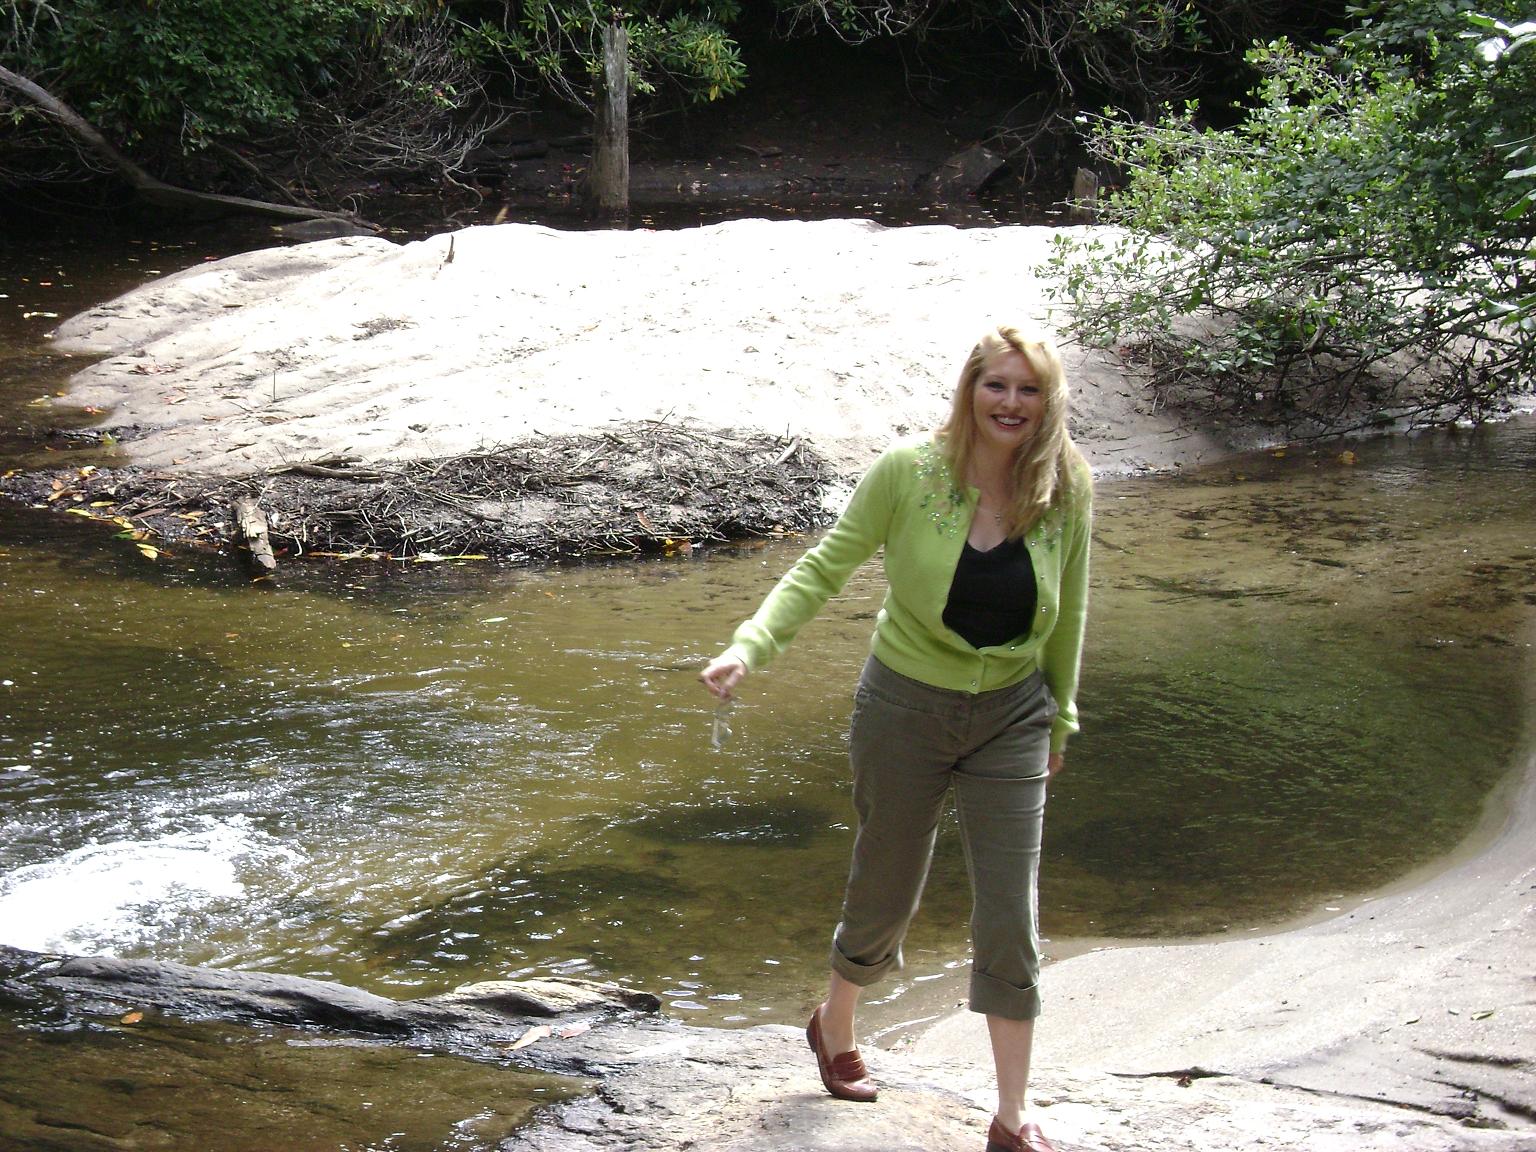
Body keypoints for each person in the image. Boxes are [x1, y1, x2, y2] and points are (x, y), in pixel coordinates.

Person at [699, 325, 1092, 1152]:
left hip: (1013, 714)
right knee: (887, 885)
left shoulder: (1066, 484)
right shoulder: (908, 472)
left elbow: (1072, 610)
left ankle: (1012, 1113)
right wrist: (750, 646)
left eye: (1028, 389)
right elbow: (824, 567)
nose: (1010, 403)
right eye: (996, 385)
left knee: (1010, 908)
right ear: (969, 388)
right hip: (904, 704)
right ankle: (835, 1021)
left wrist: (1061, 715)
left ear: (1046, 399)